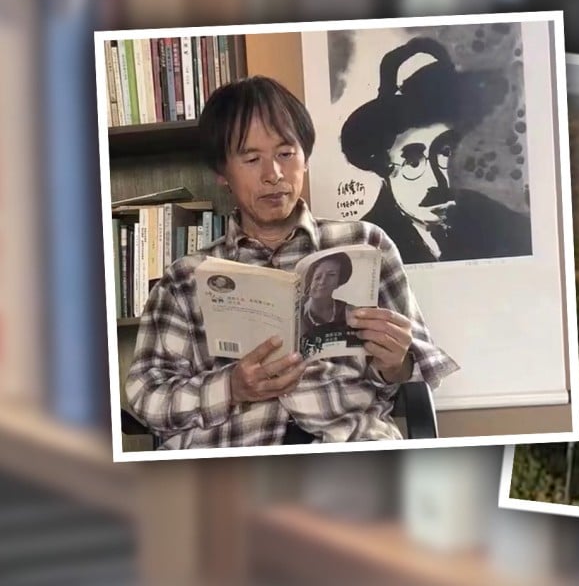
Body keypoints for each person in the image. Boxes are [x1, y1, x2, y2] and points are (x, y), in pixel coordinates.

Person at [125, 76, 458, 448]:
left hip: (347, 447)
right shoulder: (185, 278)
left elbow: (422, 370)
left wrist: (397, 363)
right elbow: (147, 396)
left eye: (286, 153)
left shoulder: (365, 244)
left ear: (305, 157)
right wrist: (231, 387)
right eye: (252, 159)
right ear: (222, 173)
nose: (274, 175)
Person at [341, 36, 532, 265]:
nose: (440, 182)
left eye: (445, 152)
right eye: (413, 161)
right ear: (383, 166)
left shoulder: (493, 220)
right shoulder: (362, 248)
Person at [299, 252, 360, 354]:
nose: (323, 281)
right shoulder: (297, 311)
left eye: (331, 275)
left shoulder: (349, 312)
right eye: (318, 276)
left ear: (339, 281)